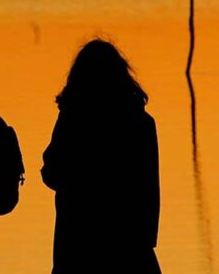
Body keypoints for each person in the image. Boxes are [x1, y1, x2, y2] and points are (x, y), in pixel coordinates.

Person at [41, 40, 161, 274]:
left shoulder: (73, 119)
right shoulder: (141, 122)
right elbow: (148, 189)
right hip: (129, 240)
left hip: (78, 238)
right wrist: (146, 240)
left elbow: (52, 173)